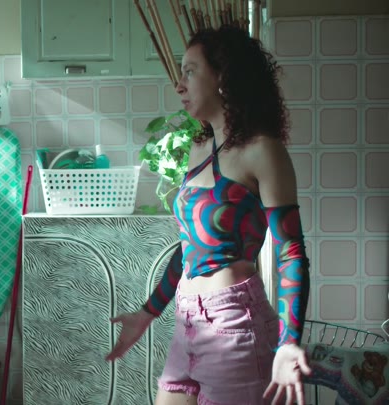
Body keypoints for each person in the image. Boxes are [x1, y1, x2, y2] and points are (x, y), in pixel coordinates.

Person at [106, 25, 312, 405]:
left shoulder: (263, 151)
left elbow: (291, 253)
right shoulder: (199, 149)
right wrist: (148, 312)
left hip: (236, 326)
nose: (179, 85)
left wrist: (288, 343)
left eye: (190, 71)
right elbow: (190, 247)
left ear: (224, 77)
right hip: (187, 323)